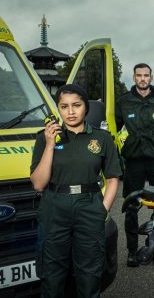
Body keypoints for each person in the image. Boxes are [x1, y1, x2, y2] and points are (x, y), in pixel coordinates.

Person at [30, 84, 121, 298]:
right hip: (54, 206)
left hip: (89, 206)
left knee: (90, 273)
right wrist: (51, 144)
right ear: (58, 109)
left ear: (86, 107)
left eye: (76, 105)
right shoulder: (45, 138)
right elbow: (38, 184)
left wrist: (102, 210)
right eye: (64, 106)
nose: (70, 112)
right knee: (52, 273)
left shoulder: (102, 138)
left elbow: (113, 178)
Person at [115, 63, 154, 267]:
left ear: (151, 77)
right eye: (139, 75)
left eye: (146, 75)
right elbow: (112, 129)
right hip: (133, 158)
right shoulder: (123, 102)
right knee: (132, 205)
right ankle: (132, 251)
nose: (143, 79)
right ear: (134, 78)